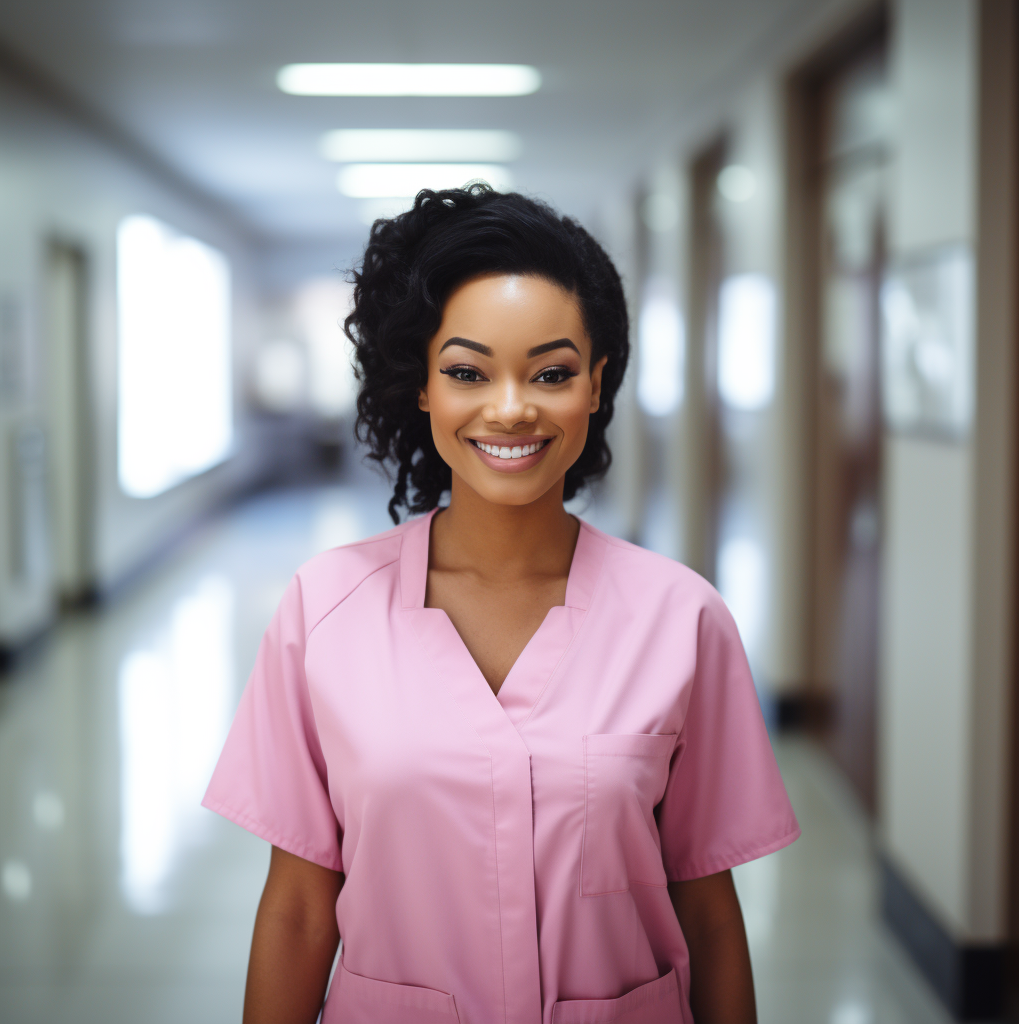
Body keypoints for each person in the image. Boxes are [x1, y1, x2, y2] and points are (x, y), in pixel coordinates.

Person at [203, 185, 799, 1024]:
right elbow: (301, 908)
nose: (511, 406)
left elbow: (706, 907)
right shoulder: (323, 611)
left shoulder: (682, 620)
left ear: (596, 385)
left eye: (551, 373)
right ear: (422, 387)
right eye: (467, 372)